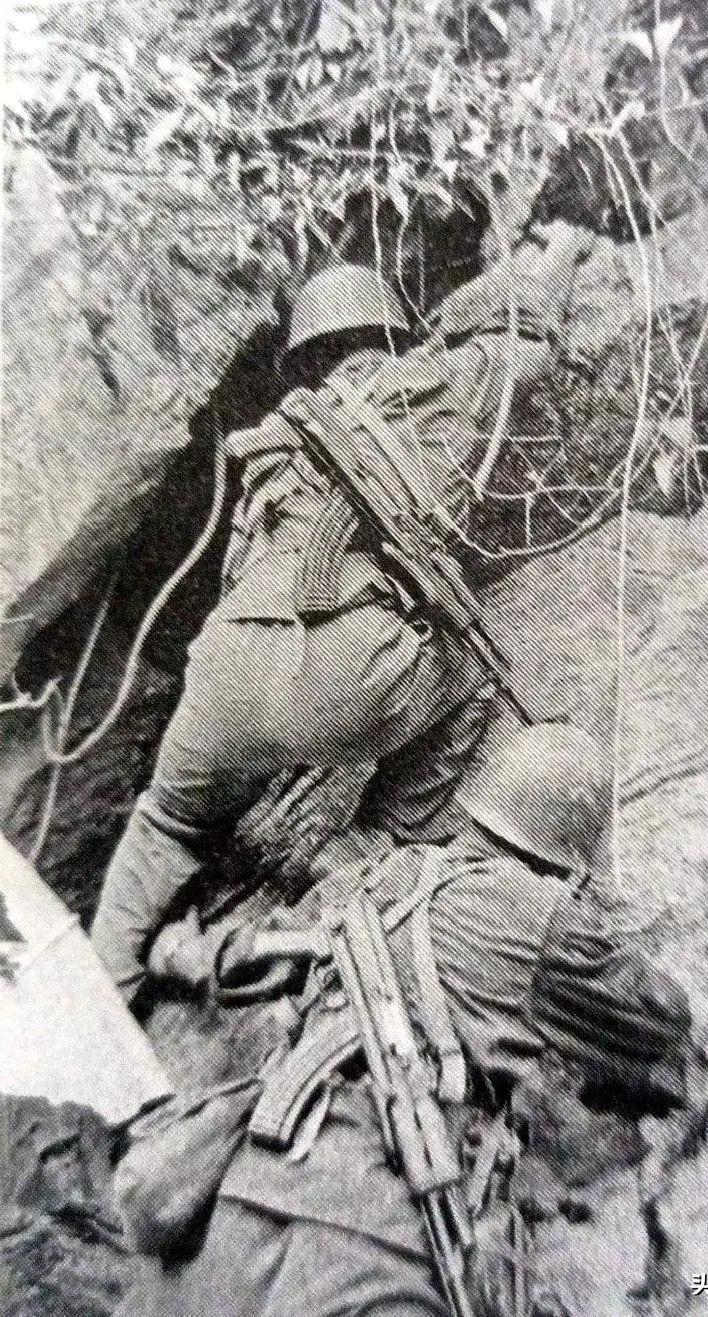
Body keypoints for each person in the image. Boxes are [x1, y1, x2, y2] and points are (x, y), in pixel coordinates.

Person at [91, 223, 592, 1007]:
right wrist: (558, 253)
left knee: (164, 823)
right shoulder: (437, 382)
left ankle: (100, 994)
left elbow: (236, 571)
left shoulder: (274, 443)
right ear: (391, 335)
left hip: (224, 675)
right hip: (347, 679)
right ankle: (376, 838)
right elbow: (526, 340)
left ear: (305, 360)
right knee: (474, 671)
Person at [122, 722, 692, 1317]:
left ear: (475, 807)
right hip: (377, 1223)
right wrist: (599, 918)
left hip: (247, 1186)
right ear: (567, 858)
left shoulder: (376, 878)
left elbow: (252, 957)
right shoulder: (545, 918)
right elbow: (662, 1020)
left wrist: (180, 954)